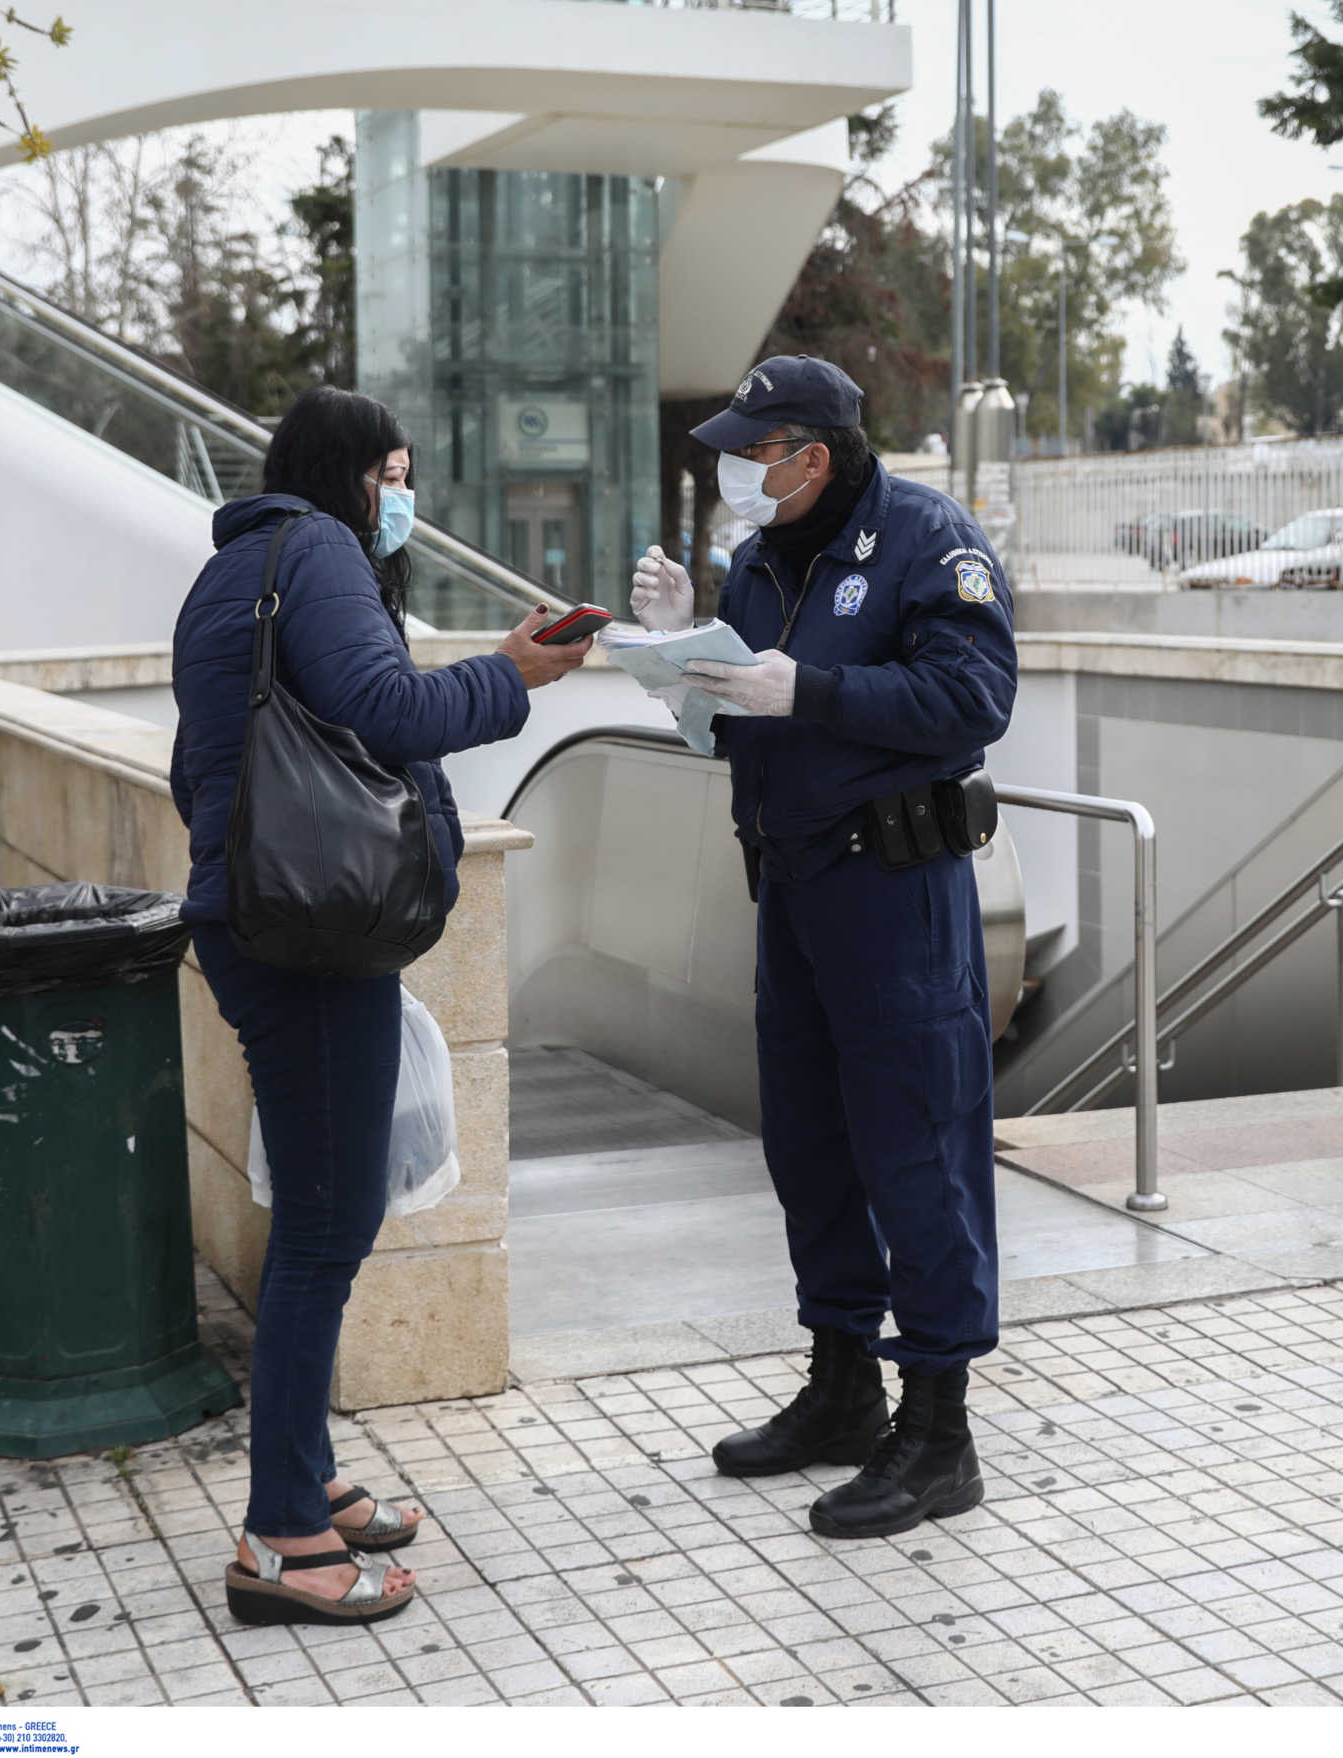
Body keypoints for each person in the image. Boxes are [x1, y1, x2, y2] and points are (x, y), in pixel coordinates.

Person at [170, 387, 591, 1623]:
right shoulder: (319, 552)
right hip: (306, 939)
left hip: (258, 918)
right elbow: (391, 711)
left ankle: (303, 1477)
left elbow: (210, 758)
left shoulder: (237, 565)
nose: (401, 496)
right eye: (393, 473)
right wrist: (514, 675)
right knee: (322, 1231)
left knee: (322, 1219)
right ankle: (283, 1542)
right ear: (348, 473)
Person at [629, 355, 1016, 1541]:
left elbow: (973, 697)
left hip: (893, 889)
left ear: (814, 454)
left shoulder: (924, 540)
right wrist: (676, 662)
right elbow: (743, 718)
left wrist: (817, 694)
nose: (737, 470)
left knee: (917, 1150)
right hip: (792, 887)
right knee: (810, 1145)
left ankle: (938, 1429)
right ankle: (843, 1382)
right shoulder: (758, 559)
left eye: (755, 450)